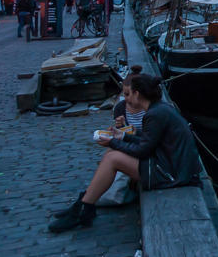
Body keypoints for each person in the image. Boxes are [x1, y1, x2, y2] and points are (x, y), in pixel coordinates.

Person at [48, 73, 200, 233]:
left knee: (113, 158)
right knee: (111, 153)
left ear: (137, 94)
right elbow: (150, 141)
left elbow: (143, 150)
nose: (126, 99)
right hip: (171, 166)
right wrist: (123, 136)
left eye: (128, 94)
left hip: (171, 174)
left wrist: (113, 141)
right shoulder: (160, 109)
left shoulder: (154, 115)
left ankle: (82, 209)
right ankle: (84, 203)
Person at [113, 66, 147, 132]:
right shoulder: (120, 108)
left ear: (138, 93)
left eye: (127, 94)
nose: (125, 98)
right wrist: (119, 126)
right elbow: (122, 134)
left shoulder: (151, 108)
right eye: (124, 94)